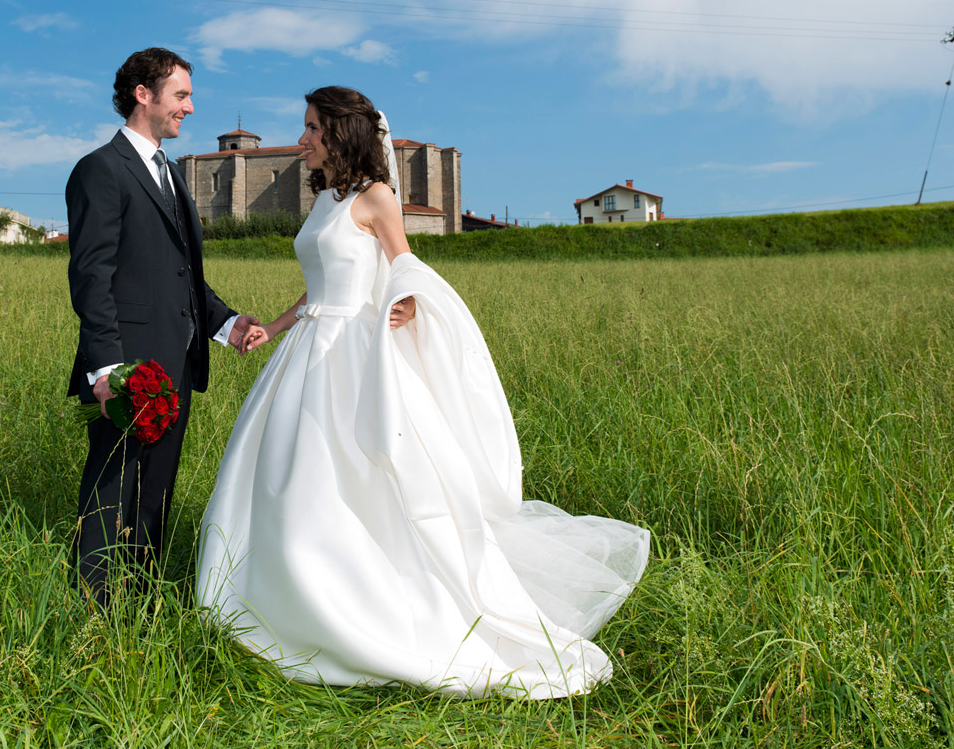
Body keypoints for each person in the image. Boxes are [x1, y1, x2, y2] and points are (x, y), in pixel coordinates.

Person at [196, 86, 649, 699]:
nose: (301, 139)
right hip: (307, 351)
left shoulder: (377, 197)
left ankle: (369, 606)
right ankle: (278, 594)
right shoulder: (326, 199)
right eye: (303, 129)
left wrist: (406, 300)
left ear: (339, 133)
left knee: (360, 477)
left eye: (309, 128)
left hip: (353, 355)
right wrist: (274, 329)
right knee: (283, 473)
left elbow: (402, 263)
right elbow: (320, 282)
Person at [66, 47, 256, 603]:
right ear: (142, 95)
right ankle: (94, 606)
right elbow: (91, 275)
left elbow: (181, 273)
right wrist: (106, 369)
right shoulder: (100, 169)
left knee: (156, 488)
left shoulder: (170, 173)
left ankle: (142, 596)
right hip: (128, 363)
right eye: (181, 96)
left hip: (176, 356)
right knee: (112, 484)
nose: (190, 109)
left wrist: (227, 324)